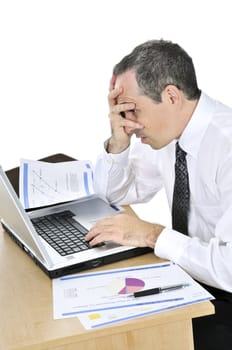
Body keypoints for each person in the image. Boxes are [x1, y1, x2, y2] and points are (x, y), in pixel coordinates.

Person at [85, 39, 232, 349]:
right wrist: (118, 141)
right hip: (196, 281)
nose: (130, 122)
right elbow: (112, 193)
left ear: (171, 96)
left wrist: (153, 234)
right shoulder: (170, 134)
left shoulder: (226, 146)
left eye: (132, 110)